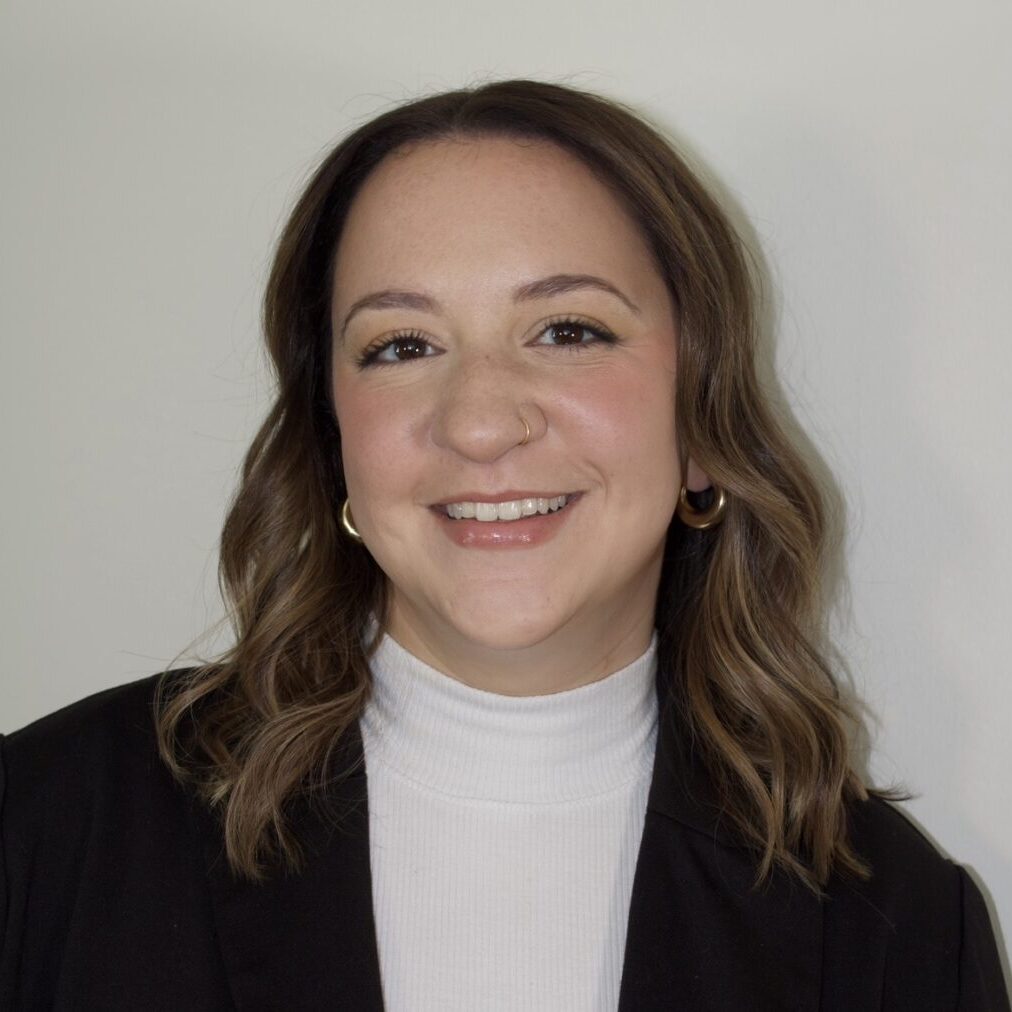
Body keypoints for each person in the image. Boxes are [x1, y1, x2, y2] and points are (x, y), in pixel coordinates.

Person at [0, 79, 1007, 1011]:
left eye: (568, 330)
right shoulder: (46, 828)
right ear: (333, 437)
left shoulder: (897, 929)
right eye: (401, 346)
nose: (479, 422)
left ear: (702, 420)